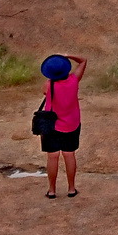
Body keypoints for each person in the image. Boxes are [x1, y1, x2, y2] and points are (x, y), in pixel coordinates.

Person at [38, 53, 86, 199]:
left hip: (51, 125)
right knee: (69, 154)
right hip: (72, 123)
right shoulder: (74, 80)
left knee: (53, 157)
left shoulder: (48, 85)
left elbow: (44, 92)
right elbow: (83, 60)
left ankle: (52, 190)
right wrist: (68, 55)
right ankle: (71, 188)